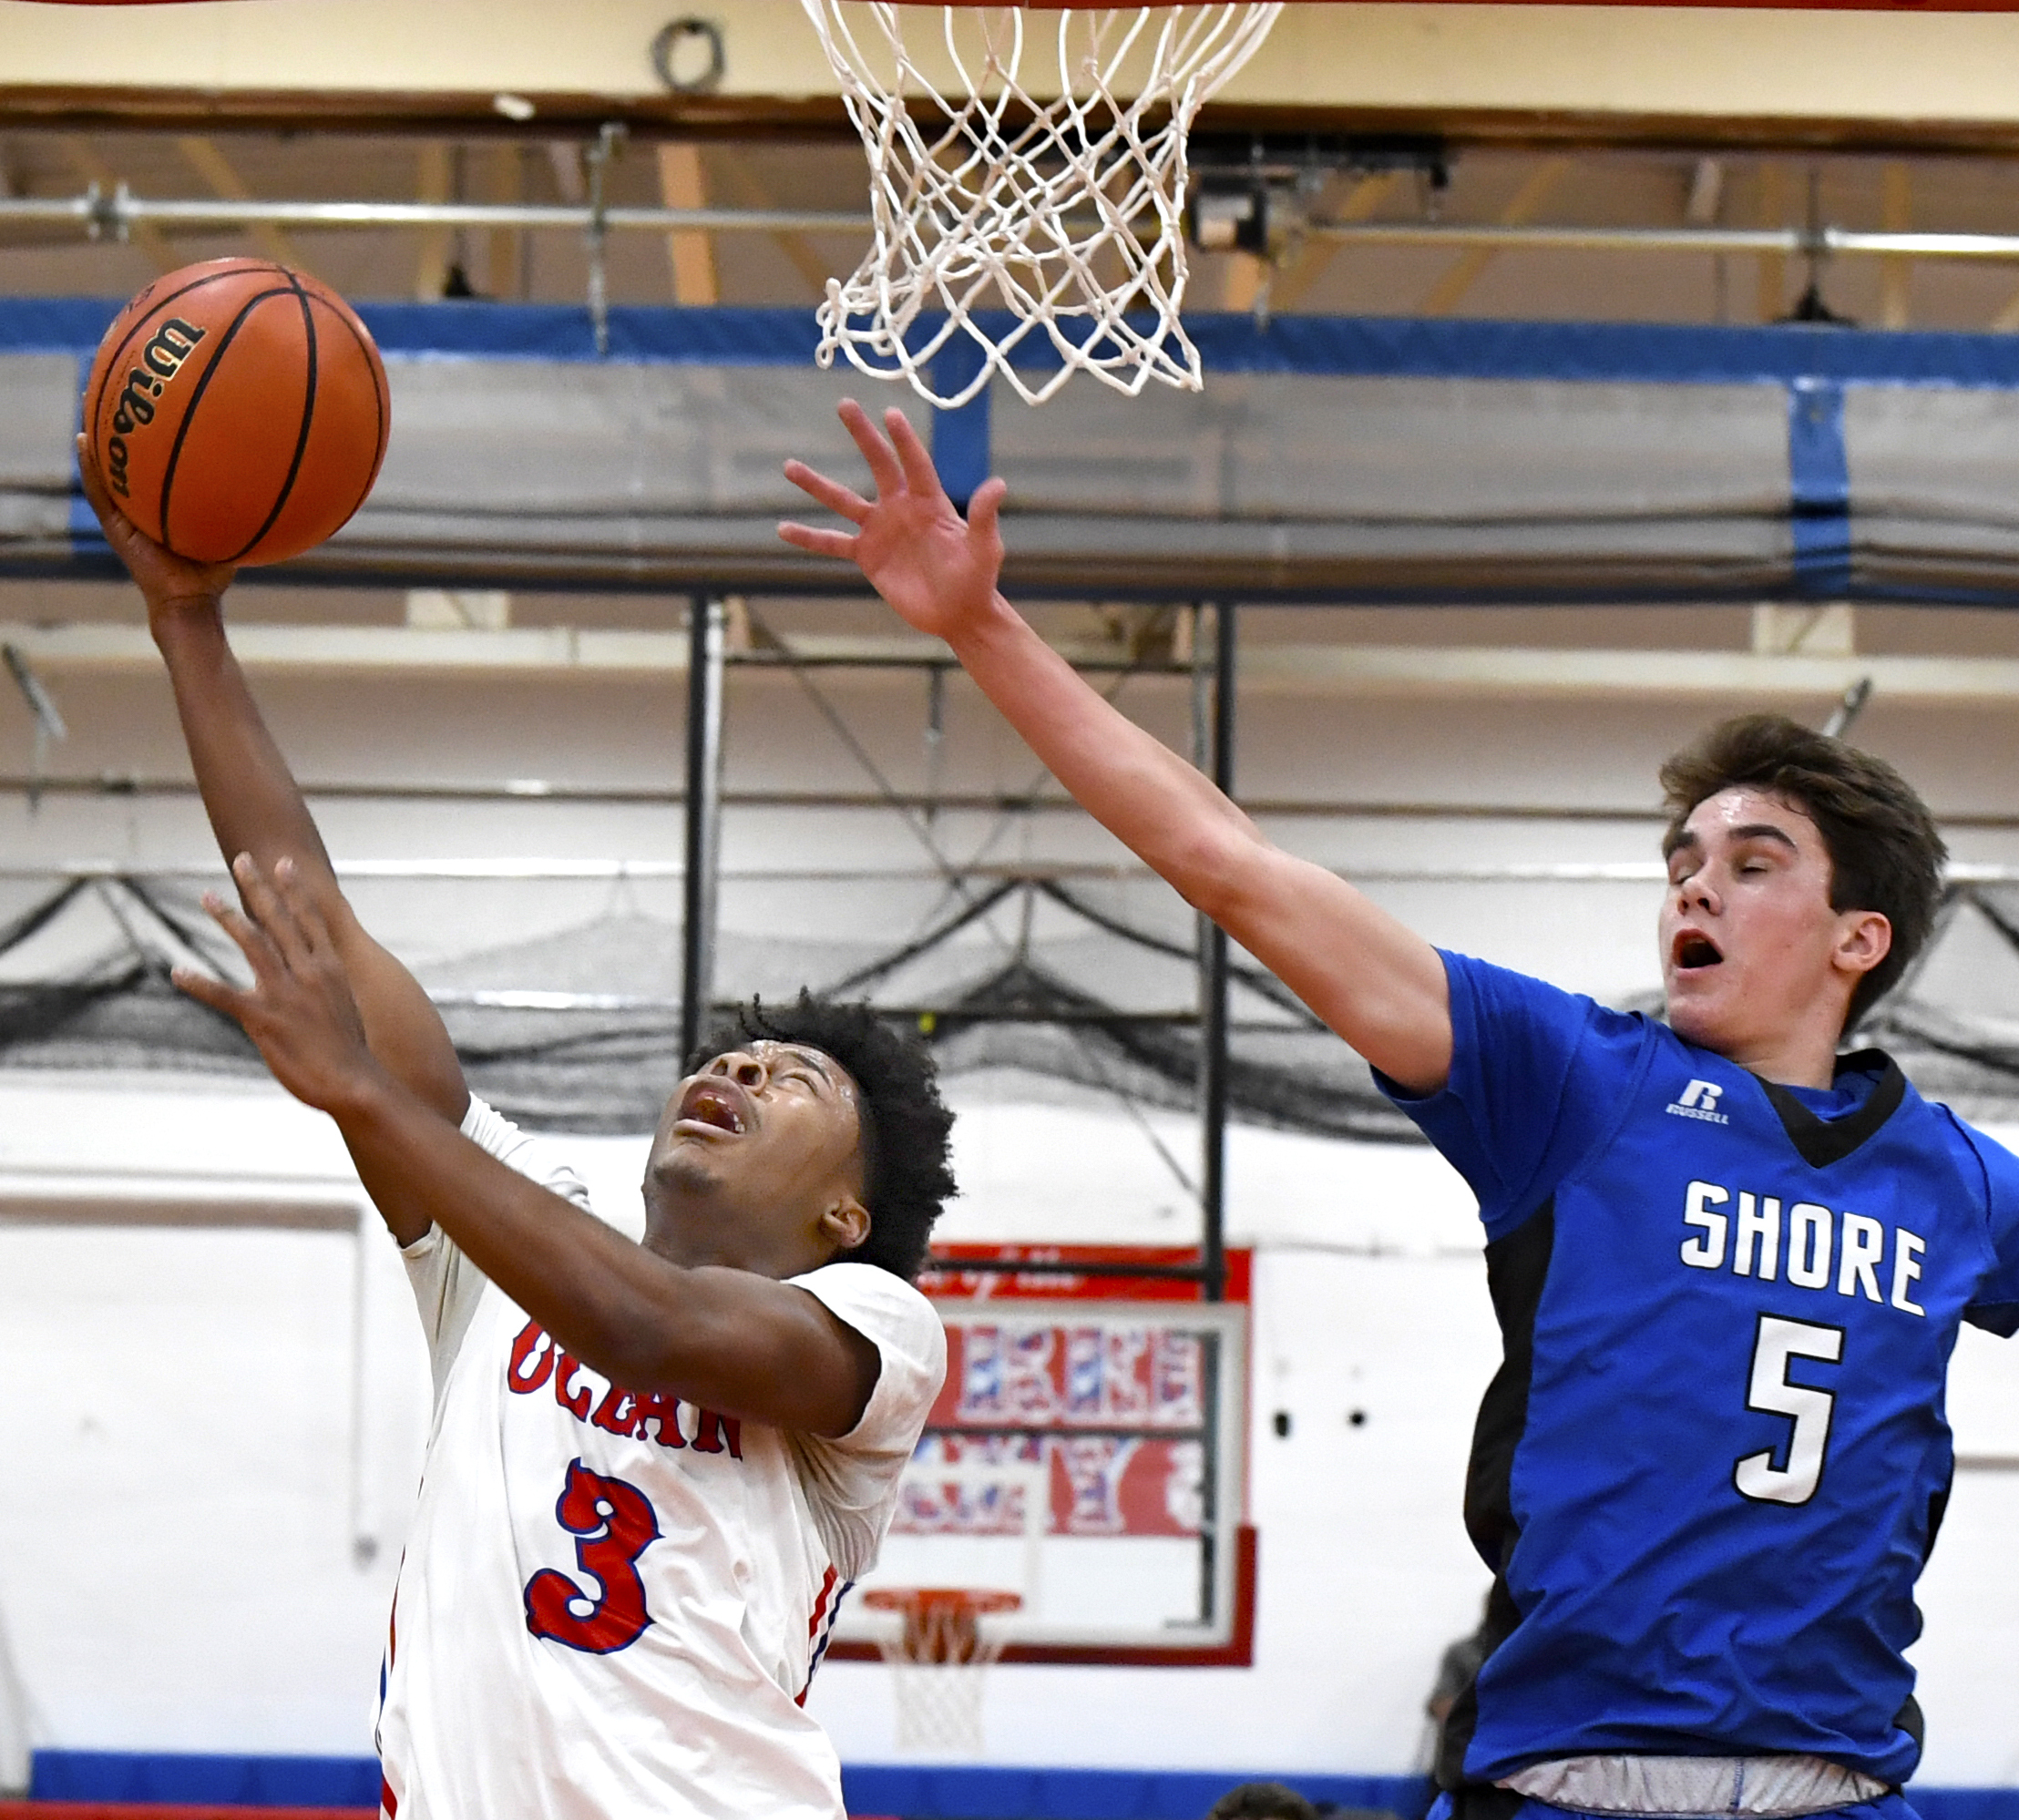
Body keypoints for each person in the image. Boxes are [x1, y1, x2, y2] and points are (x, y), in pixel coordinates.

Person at [780, 402, 2019, 1820]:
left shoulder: (1959, 1185)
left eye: (1752, 862)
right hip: (1566, 1774)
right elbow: (1231, 865)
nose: (1692, 883)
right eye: (1683, 857)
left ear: (1859, 940)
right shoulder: (1576, 1083)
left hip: (1842, 1782)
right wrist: (984, 628)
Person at [77, 442, 957, 1820]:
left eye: (794, 1080)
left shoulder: (876, 1330)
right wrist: (187, 621)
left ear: (845, 1215)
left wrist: (361, 1095)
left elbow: (651, 1329)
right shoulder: (511, 1226)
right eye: (737, 1048)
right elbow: (316, 914)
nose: (739, 1062)